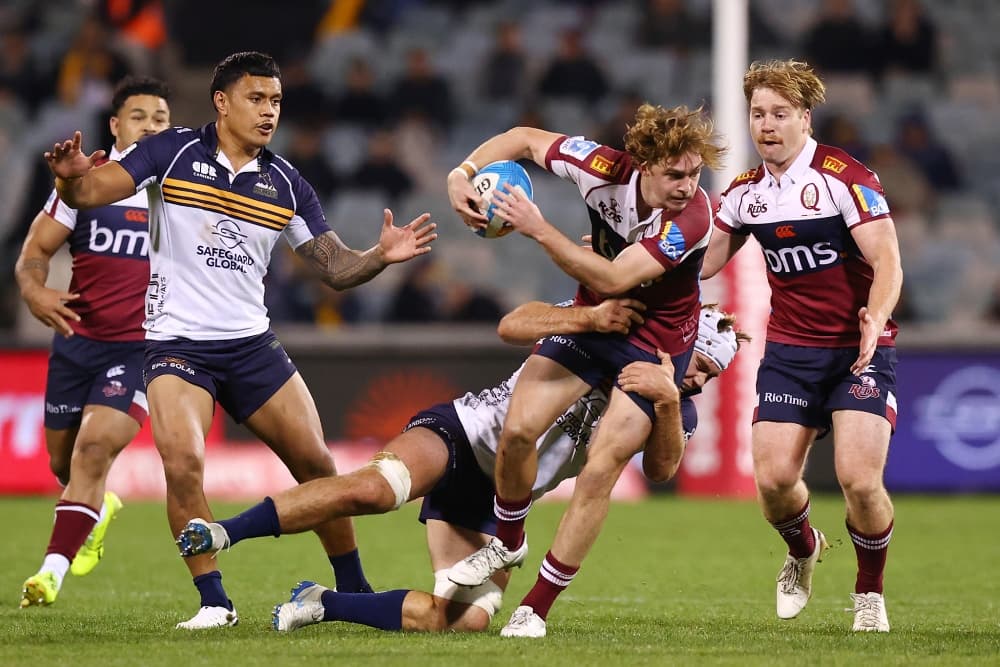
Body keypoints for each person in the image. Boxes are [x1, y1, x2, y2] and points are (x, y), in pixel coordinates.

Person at [43, 51, 437, 629]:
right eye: (257, 99)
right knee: (183, 463)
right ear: (222, 102)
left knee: (317, 463)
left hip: (251, 345)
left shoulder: (287, 184)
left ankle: (353, 588)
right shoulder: (170, 151)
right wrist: (68, 176)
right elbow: (87, 193)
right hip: (177, 345)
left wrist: (379, 255)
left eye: (276, 100)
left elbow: (335, 268)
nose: (269, 111)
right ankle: (214, 602)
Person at [173, 301, 743, 634]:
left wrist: (668, 401)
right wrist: (585, 317)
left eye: (710, 376)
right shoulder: (604, 332)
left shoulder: (673, 405)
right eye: (698, 364)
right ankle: (224, 532)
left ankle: (321, 601)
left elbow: (663, 470)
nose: (698, 379)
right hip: (464, 434)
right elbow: (513, 323)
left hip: (500, 499)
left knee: (459, 621)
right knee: (374, 490)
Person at [442, 104, 726, 632]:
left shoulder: (693, 218)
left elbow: (615, 278)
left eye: (694, 173)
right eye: (675, 174)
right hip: (596, 319)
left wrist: (538, 228)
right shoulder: (598, 167)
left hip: (654, 344)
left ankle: (535, 608)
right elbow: (523, 137)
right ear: (643, 164)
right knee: (518, 430)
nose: (688, 186)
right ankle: (508, 543)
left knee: (600, 469)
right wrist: (461, 174)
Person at [702, 59, 903, 633]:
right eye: (757, 114)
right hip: (791, 355)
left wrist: (876, 318)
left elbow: (887, 260)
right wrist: (628, 254)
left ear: (805, 118)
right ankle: (803, 548)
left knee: (859, 479)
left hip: (858, 351)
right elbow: (700, 264)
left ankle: (869, 592)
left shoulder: (845, 178)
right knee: (772, 483)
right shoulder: (744, 194)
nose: (766, 125)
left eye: (780, 114)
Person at [15, 75, 171, 609]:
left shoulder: (179, 191)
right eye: (139, 117)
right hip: (77, 343)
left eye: (160, 119)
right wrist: (34, 290)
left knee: (94, 448)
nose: (150, 127)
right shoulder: (86, 185)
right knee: (64, 467)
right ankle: (97, 507)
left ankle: (49, 573)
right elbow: (35, 249)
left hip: (140, 349)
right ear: (115, 125)